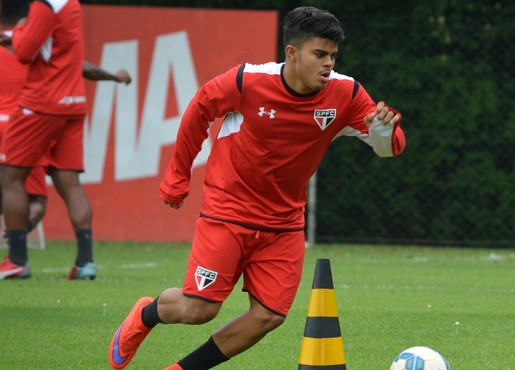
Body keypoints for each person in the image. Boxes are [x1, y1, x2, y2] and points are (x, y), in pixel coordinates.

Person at [108, 6, 406, 369]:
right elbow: (200, 108)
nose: (328, 63)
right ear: (292, 53)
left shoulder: (345, 93)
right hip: (227, 211)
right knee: (198, 309)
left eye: (332, 56)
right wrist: (177, 174)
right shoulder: (247, 81)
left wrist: (381, 130)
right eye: (319, 54)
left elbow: (389, 147)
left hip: (283, 222)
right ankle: (145, 314)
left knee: (269, 315)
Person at [0, 0, 113, 280]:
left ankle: (17, 260)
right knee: (70, 183)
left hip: (41, 104)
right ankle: (85, 262)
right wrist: (18, 34)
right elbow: (54, 43)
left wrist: (21, 32)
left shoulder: (45, 4)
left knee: (11, 179)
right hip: (73, 103)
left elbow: (25, 53)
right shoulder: (70, 4)